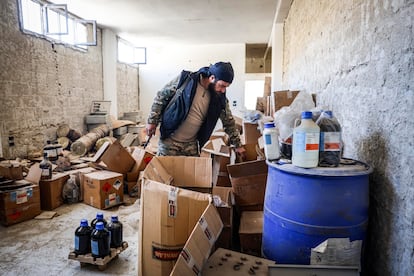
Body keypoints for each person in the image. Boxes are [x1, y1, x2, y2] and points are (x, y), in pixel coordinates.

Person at [146, 61, 246, 160]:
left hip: (191, 145)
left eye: (226, 87)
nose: (223, 90)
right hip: (169, 141)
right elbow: (161, 96)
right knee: (164, 173)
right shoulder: (186, 80)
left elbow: (228, 122)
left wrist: (238, 145)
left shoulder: (219, 97)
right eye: (222, 85)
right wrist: (152, 121)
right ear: (212, 78)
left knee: (191, 175)